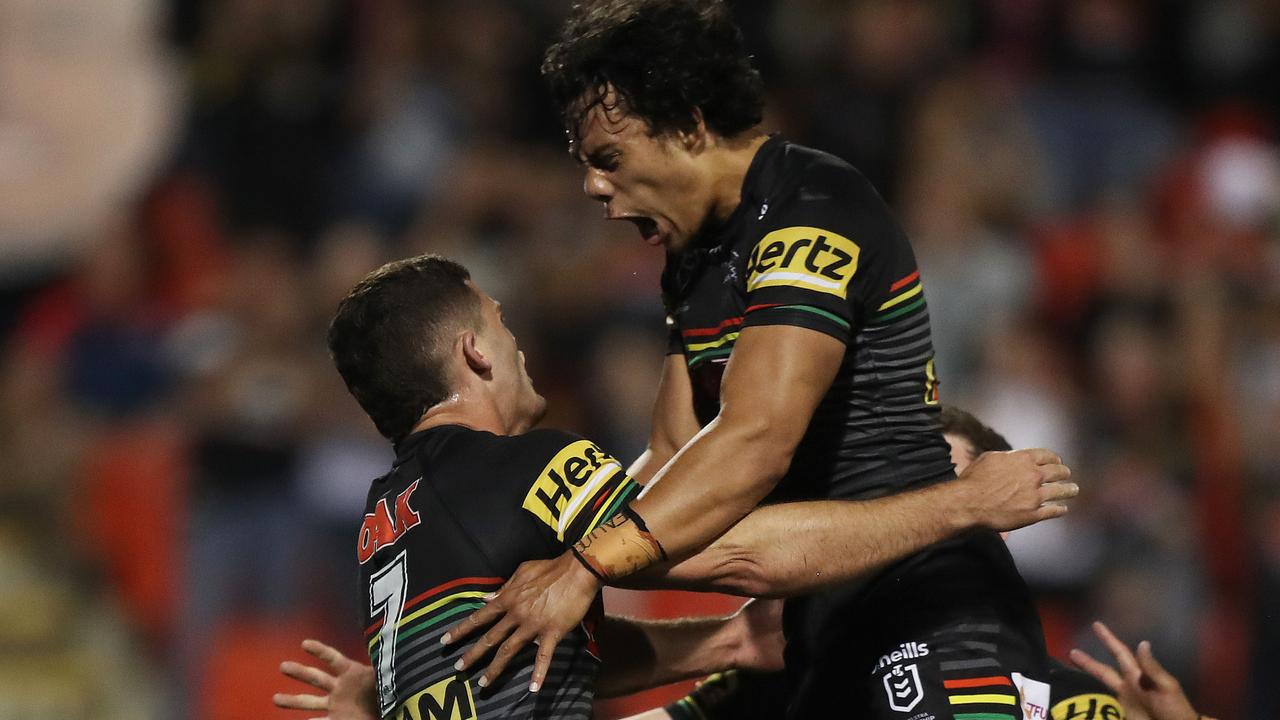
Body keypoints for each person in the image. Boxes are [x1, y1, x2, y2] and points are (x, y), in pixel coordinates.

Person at [444, 2, 1068, 718]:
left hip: (929, 610)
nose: (591, 186)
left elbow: (754, 443)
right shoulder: (693, 258)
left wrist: (582, 562)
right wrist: (533, 546)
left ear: (688, 124)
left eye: (609, 158)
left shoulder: (813, 210)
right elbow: (673, 454)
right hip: (815, 625)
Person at [284, 255, 1074, 719]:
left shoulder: (390, 515)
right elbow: (743, 554)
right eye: (502, 324)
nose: (518, 343)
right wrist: (963, 501)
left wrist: (727, 641)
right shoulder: (527, 469)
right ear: (474, 353)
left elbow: (545, 655)